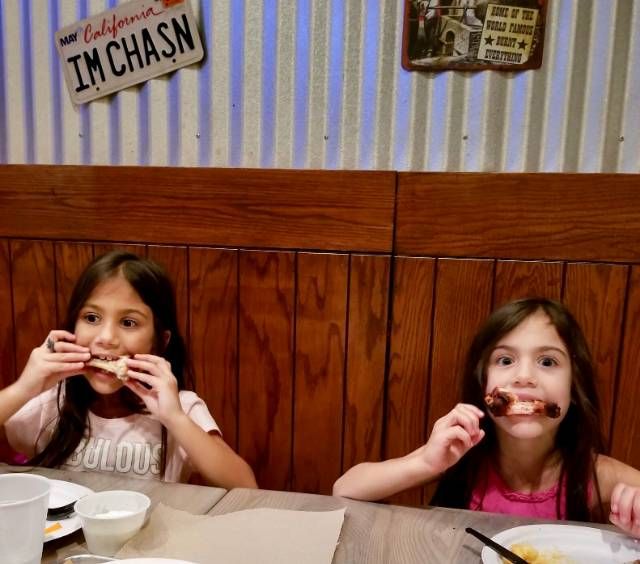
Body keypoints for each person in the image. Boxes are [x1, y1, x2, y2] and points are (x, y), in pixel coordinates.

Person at [333, 298, 640, 538]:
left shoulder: (594, 473)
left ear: (573, 388)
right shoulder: (460, 453)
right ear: (483, 386)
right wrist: (425, 463)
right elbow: (345, 489)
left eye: (547, 362)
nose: (524, 376)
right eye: (505, 360)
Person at [0, 251, 257, 489]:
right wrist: (23, 389)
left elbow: (246, 487)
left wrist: (175, 418)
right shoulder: (49, 404)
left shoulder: (179, 407)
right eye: (91, 318)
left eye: (128, 322)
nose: (106, 337)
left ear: (160, 342)